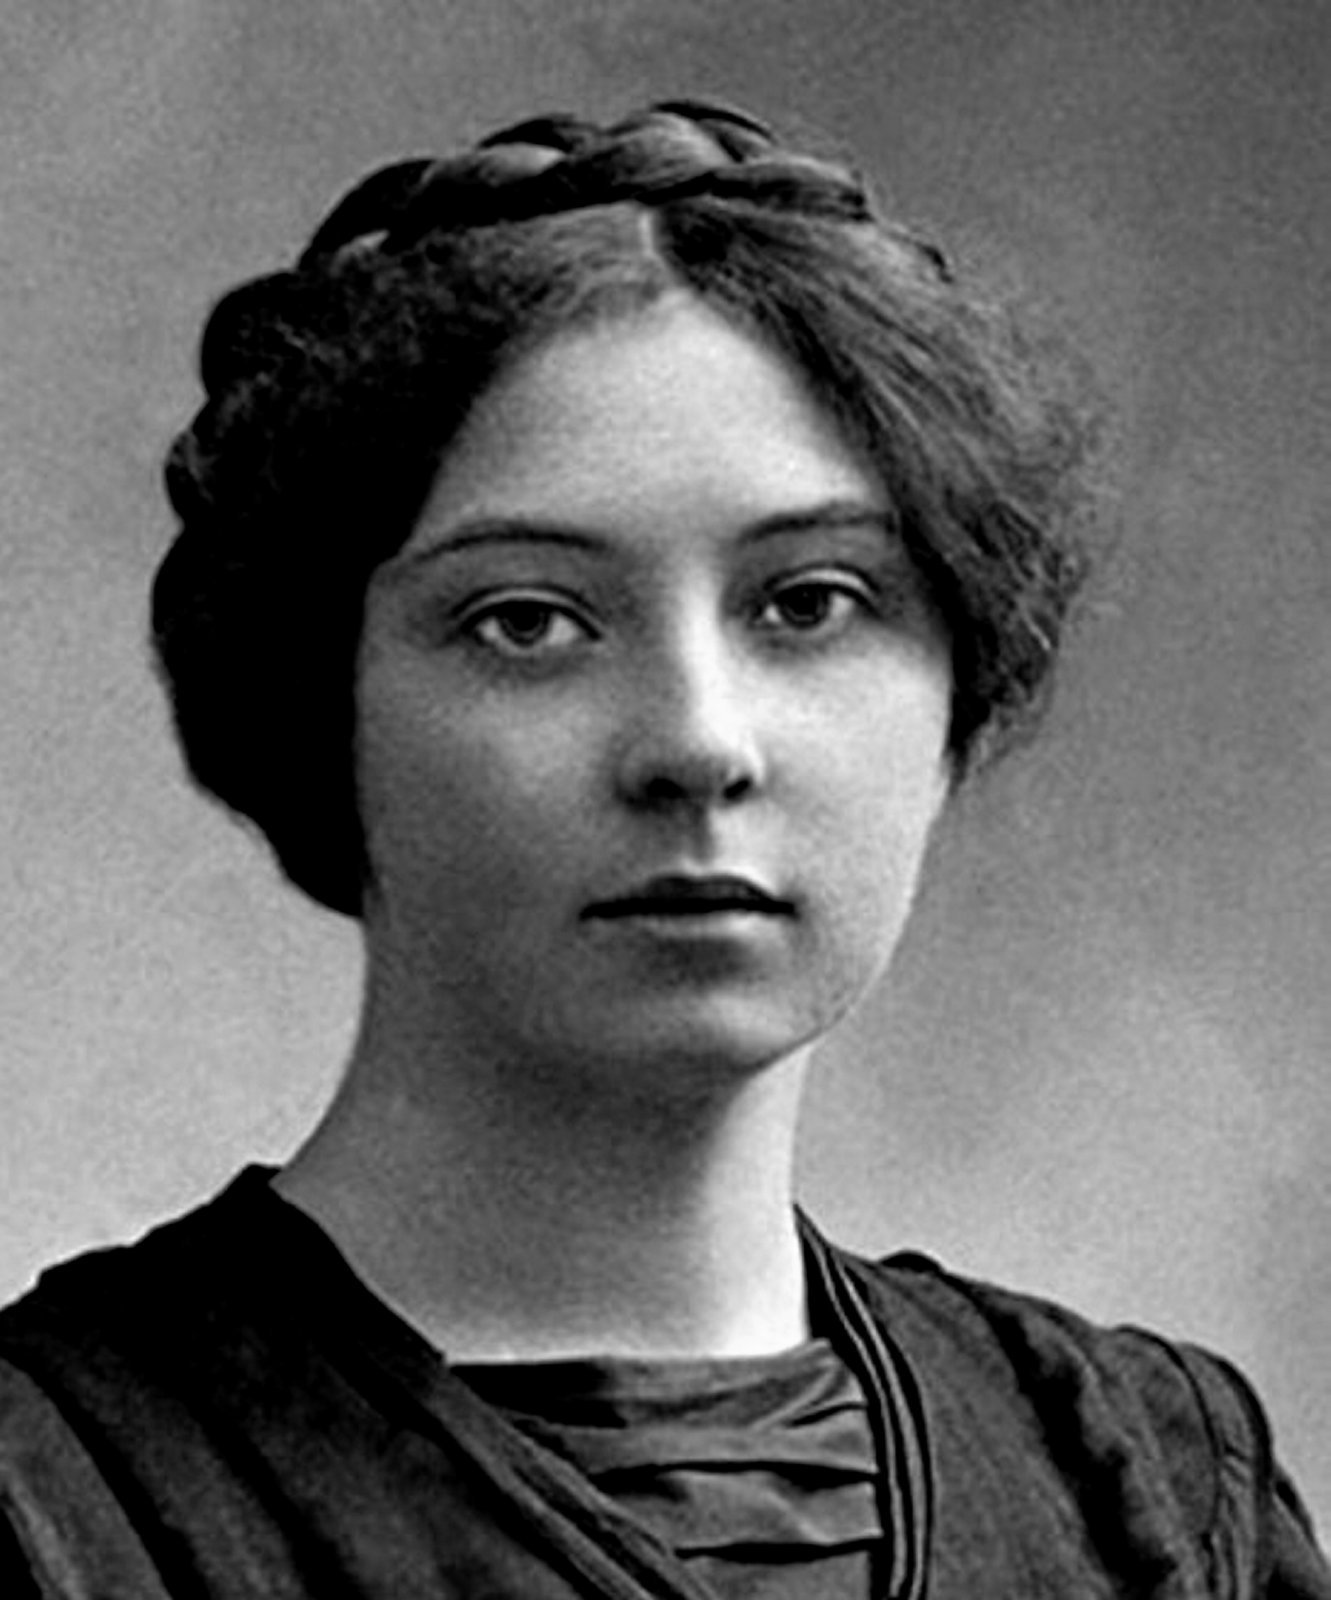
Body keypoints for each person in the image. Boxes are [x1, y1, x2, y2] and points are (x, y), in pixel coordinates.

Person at [0, 99, 1325, 1599]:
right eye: (528, 622)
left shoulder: (1157, 1487)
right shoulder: (60, 1491)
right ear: (319, 709)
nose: (698, 741)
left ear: (957, 690)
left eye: (810, 603)